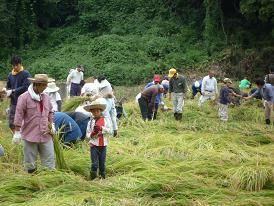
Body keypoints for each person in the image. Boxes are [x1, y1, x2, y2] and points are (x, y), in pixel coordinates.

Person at [13, 74, 55, 173]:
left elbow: (50, 112)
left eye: (46, 85)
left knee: (49, 159)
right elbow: (19, 114)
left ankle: (48, 181)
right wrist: (17, 132)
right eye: (44, 85)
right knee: (30, 162)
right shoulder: (24, 98)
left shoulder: (46, 97)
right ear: (37, 84)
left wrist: (51, 124)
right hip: (30, 134)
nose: (45, 87)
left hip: (45, 134)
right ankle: (32, 181)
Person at [84, 100, 112, 180]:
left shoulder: (105, 120)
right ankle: (93, 178)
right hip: (94, 145)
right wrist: (92, 134)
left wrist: (101, 129)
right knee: (94, 164)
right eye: (94, 111)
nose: (96, 112)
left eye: (97, 110)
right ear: (91, 112)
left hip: (103, 145)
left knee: (102, 163)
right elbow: (87, 134)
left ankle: (102, 177)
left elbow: (110, 130)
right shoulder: (90, 122)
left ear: (100, 111)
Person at [3, 55, 31, 132]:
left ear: (20, 64)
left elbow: (26, 87)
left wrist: (13, 91)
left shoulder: (25, 74)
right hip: (14, 102)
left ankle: (22, 137)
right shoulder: (10, 75)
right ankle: (15, 136)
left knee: (23, 122)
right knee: (11, 123)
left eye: (16, 65)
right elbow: (8, 86)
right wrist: (6, 90)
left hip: (24, 102)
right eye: (13, 65)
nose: (15, 67)